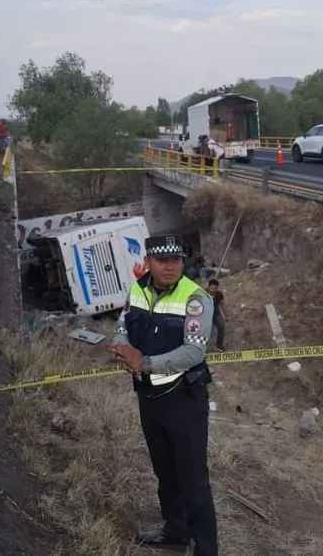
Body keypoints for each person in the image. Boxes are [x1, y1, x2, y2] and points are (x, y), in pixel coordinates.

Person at [110, 235, 218, 556]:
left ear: (182, 262)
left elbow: (193, 352)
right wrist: (121, 346)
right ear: (149, 261)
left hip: (184, 401)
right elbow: (122, 326)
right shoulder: (137, 289)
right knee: (165, 471)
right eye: (162, 260)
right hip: (149, 398)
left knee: (194, 480)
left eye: (175, 260)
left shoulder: (196, 298)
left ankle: (207, 550)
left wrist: (144, 363)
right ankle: (175, 531)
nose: (170, 267)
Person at [206, 279, 228, 351]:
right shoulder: (203, 293)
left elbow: (223, 304)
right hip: (205, 315)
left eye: (215, 288)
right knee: (204, 330)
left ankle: (219, 346)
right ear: (209, 287)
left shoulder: (218, 294)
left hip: (216, 314)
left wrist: (226, 315)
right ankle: (202, 347)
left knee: (221, 326)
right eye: (212, 288)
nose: (214, 290)